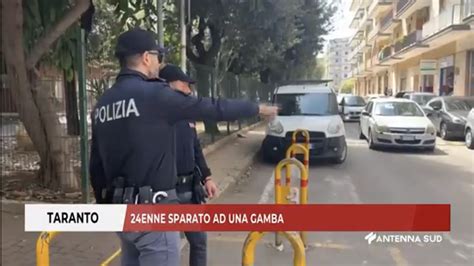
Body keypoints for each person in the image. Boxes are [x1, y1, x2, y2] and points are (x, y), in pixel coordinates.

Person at [89, 28, 277, 266]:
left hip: (121, 215)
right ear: (146, 57)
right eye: (158, 56)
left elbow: (95, 165)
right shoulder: (154, 95)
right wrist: (256, 108)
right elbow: (212, 107)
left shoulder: (103, 104)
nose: (160, 62)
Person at [159, 64, 214, 266]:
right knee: (168, 249)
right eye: (184, 84)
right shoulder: (156, 114)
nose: (189, 90)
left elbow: (195, 148)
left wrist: (207, 177)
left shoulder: (187, 114)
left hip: (190, 191)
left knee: (199, 242)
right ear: (169, 85)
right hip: (166, 193)